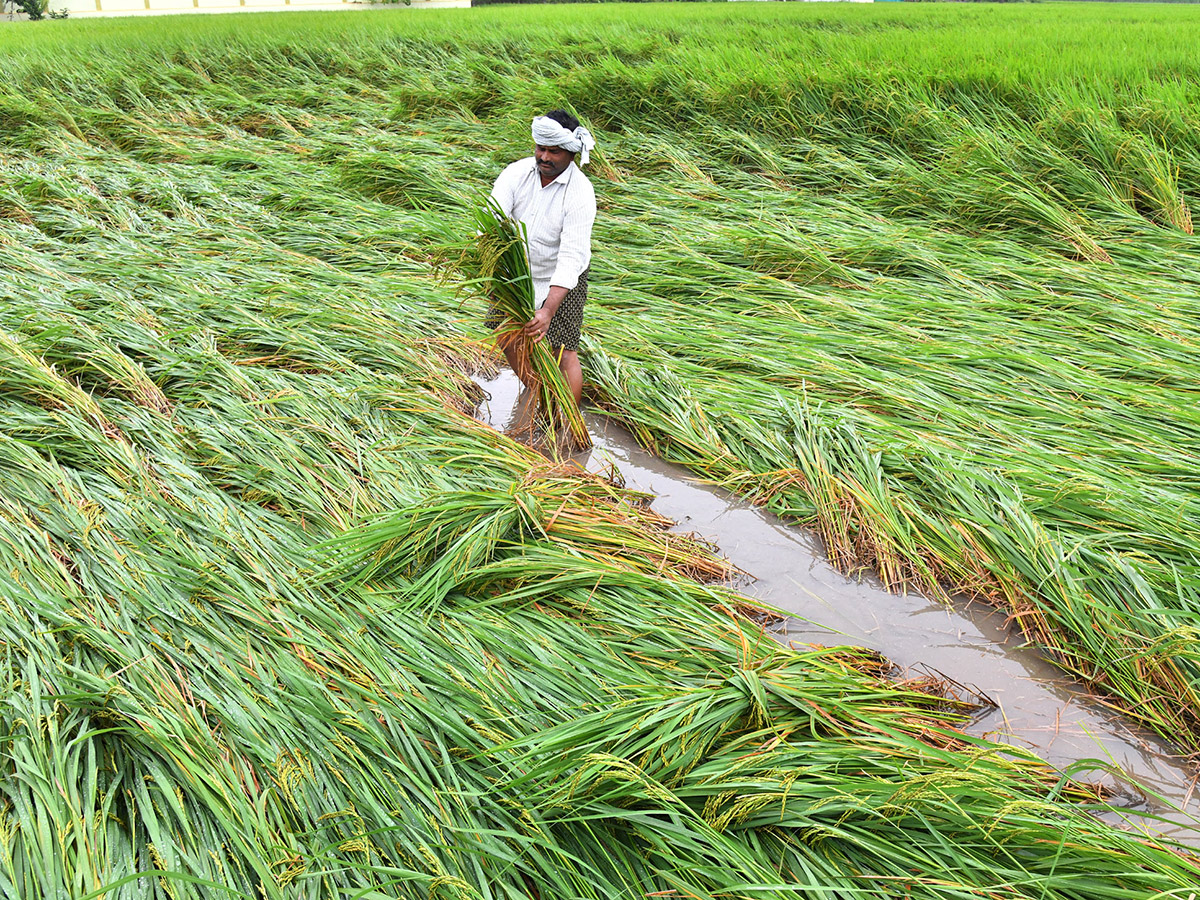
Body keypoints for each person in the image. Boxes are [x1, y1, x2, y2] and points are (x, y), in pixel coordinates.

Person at [487, 109, 596, 406]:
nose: (544, 157)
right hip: (516, 269)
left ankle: (567, 421)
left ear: (571, 153)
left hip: (562, 276)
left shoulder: (580, 193)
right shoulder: (516, 173)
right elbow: (492, 221)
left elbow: (571, 257)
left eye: (554, 151)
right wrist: (493, 271)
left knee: (563, 351)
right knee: (508, 335)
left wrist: (547, 310)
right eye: (541, 148)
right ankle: (542, 394)